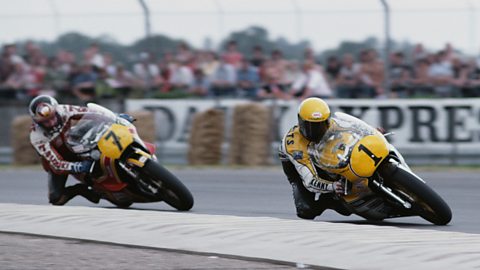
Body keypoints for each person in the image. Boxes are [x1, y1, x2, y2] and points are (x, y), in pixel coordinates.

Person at [29, 95, 134, 206]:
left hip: (73, 142)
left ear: (56, 111)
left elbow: (90, 113)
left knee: (101, 127)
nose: (52, 123)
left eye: (53, 118)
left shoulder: (64, 110)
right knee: (56, 198)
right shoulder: (37, 137)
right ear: (37, 122)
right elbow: (56, 163)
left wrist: (116, 118)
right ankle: (81, 189)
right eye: (46, 122)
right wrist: (79, 167)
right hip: (59, 160)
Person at [278, 97, 351, 219]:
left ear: (327, 121)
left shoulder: (336, 125)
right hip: (300, 167)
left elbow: (357, 131)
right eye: (309, 125)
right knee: (306, 210)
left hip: (323, 155)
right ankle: (328, 200)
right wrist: (332, 187)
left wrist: (374, 132)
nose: (314, 131)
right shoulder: (294, 145)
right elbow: (310, 181)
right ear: (300, 122)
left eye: (319, 125)